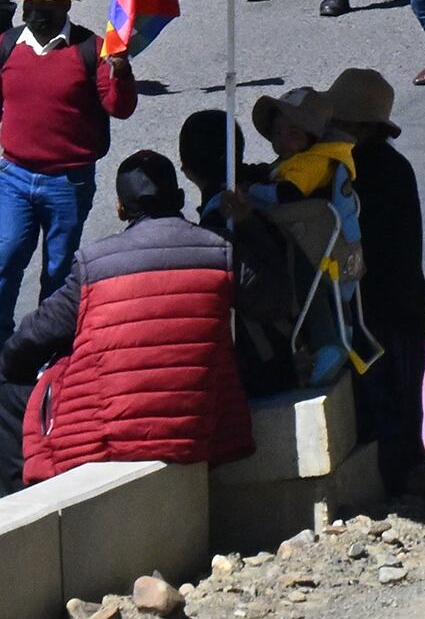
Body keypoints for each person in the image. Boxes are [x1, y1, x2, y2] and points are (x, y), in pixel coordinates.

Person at [0, 150, 252, 491]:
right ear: (179, 198)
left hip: (110, 437)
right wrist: (249, 224)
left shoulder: (95, 265)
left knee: (7, 398)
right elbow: (276, 298)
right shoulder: (221, 252)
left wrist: (11, 367)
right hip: (202, 426)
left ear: (120, 209)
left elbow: (31, 339)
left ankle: (25, 505)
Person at [0, 0, 135, 341]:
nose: (36, 12)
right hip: (13, 177)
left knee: (58, 272)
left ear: (64, 6)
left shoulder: (90, 49)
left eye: (45, 5)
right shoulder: (8, 46)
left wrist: (120, 71)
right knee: (5, 259)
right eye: (31, 4)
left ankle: (46, 349)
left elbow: (118, 108)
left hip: (68, 182)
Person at [318, 67, 425, 497]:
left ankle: (400, 476)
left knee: (391, 398)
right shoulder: (379, 165)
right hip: (395, 302)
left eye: (338, 121)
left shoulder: (369, 170)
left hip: (385, 307)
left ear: (360, 127)